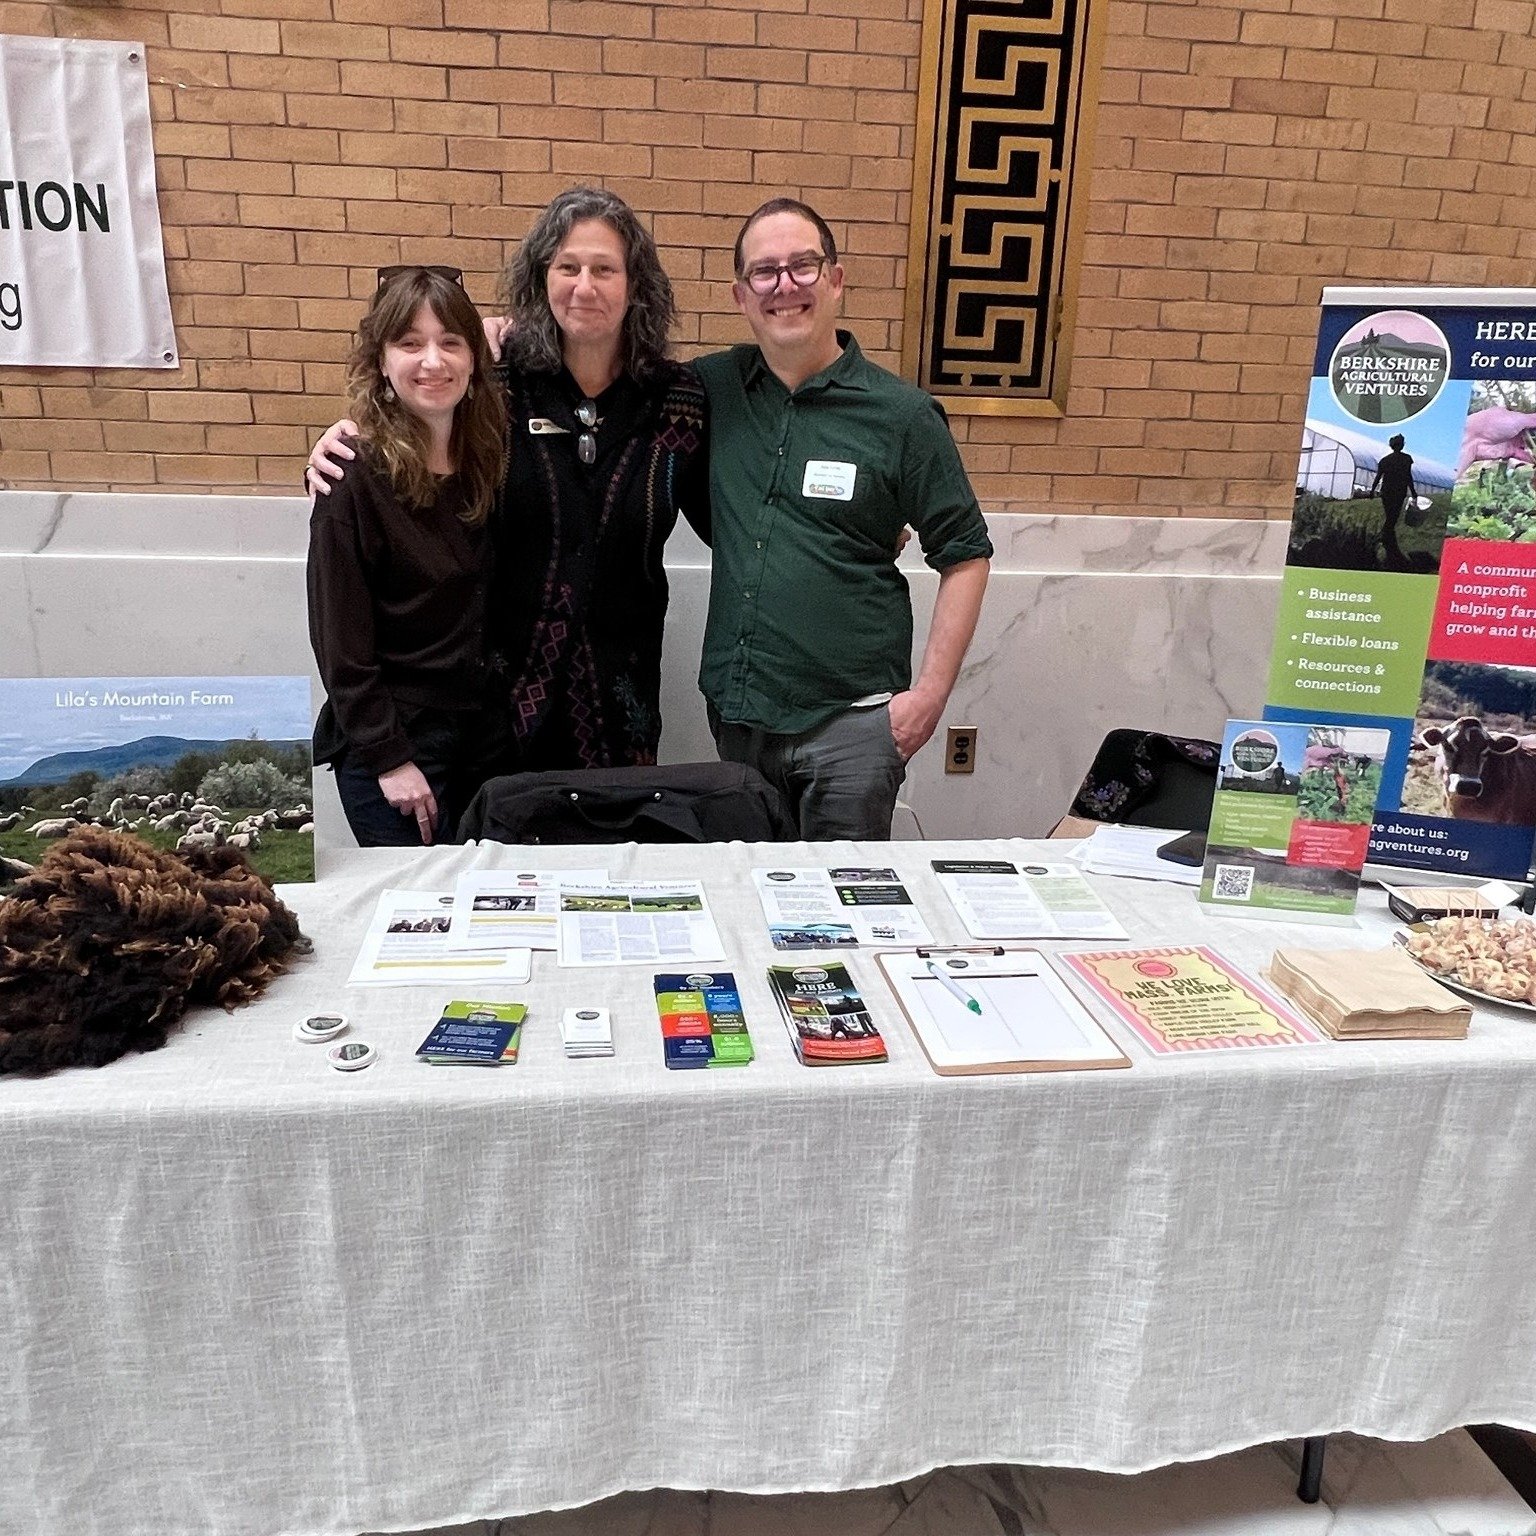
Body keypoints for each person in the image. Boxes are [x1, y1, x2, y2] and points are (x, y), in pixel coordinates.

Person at [308, 187, 710, 775]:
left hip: (622, 698)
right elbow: (411, 427)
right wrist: (343, 443)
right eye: (567, 267)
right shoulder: (496, 381)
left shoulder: (681, 399)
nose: (584, 285)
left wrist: (857, 529)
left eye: (605, 269)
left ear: (636, 285)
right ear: (542, 277)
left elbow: (734, 515)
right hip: (497, 705)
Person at [695, 198, 992, 840]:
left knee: (844, 919)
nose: (785, 286)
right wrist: (504, 336)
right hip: (740, 716)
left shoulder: (902, 417)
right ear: (741, 295)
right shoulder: (709, 390)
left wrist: (928, 701)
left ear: (835, 279)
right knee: (750, 903)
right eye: (764, 272)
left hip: (855, 728)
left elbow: (965, 556)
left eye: (803, 265)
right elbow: (607, 374)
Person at [307, 265, 506, 846]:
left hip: (483, 741)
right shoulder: (350, 479)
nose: (433, 361)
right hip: (397, 752)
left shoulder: (487, 463)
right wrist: (390, 759)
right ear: (382, 363)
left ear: (473, 362)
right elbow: (341, 644)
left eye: (451, 342)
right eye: (410, 343)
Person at [1368, 432, 1417, 570]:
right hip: (1398, 491)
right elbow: (1408, 476)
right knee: (1393, 516)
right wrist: (1412, 491)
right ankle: (1385, 536)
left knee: (1391, 515)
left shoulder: (1385, 460)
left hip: (1387, 491)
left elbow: (1379, 477)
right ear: (1400, 445)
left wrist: (1372, 490)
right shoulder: (1407, 459)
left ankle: (1386, 537)